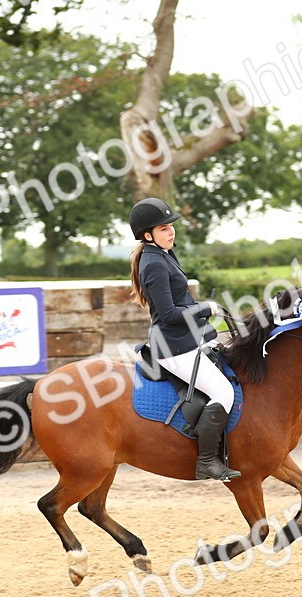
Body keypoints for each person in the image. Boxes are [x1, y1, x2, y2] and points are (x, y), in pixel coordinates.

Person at [128, 197, 241, 482]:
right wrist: (204, 308)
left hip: (188, 338)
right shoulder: (153, 263)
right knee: (223, 393)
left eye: (171, 226)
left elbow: (180, 300)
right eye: (164, 228)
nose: (171, 231)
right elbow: (168, 314)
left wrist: (203, 313)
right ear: (147, 235)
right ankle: (207, 461)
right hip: (174, 347)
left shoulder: (164, 254)